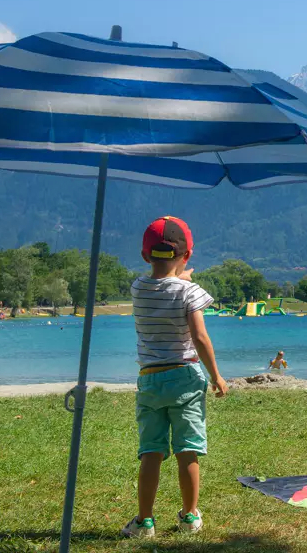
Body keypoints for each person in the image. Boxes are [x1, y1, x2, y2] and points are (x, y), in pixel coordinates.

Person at [122, 216, 229, 539]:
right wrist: (217, 376)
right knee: (187, 450)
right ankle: (190, 515)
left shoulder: (138, 288)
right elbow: (199, 336)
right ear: (188, 255)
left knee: (151, 451)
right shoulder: (190, 292)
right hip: (185, 378)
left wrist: (177, 276)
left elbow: (161, 283)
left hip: (150, 380)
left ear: (144, 255)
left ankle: (144, 521)